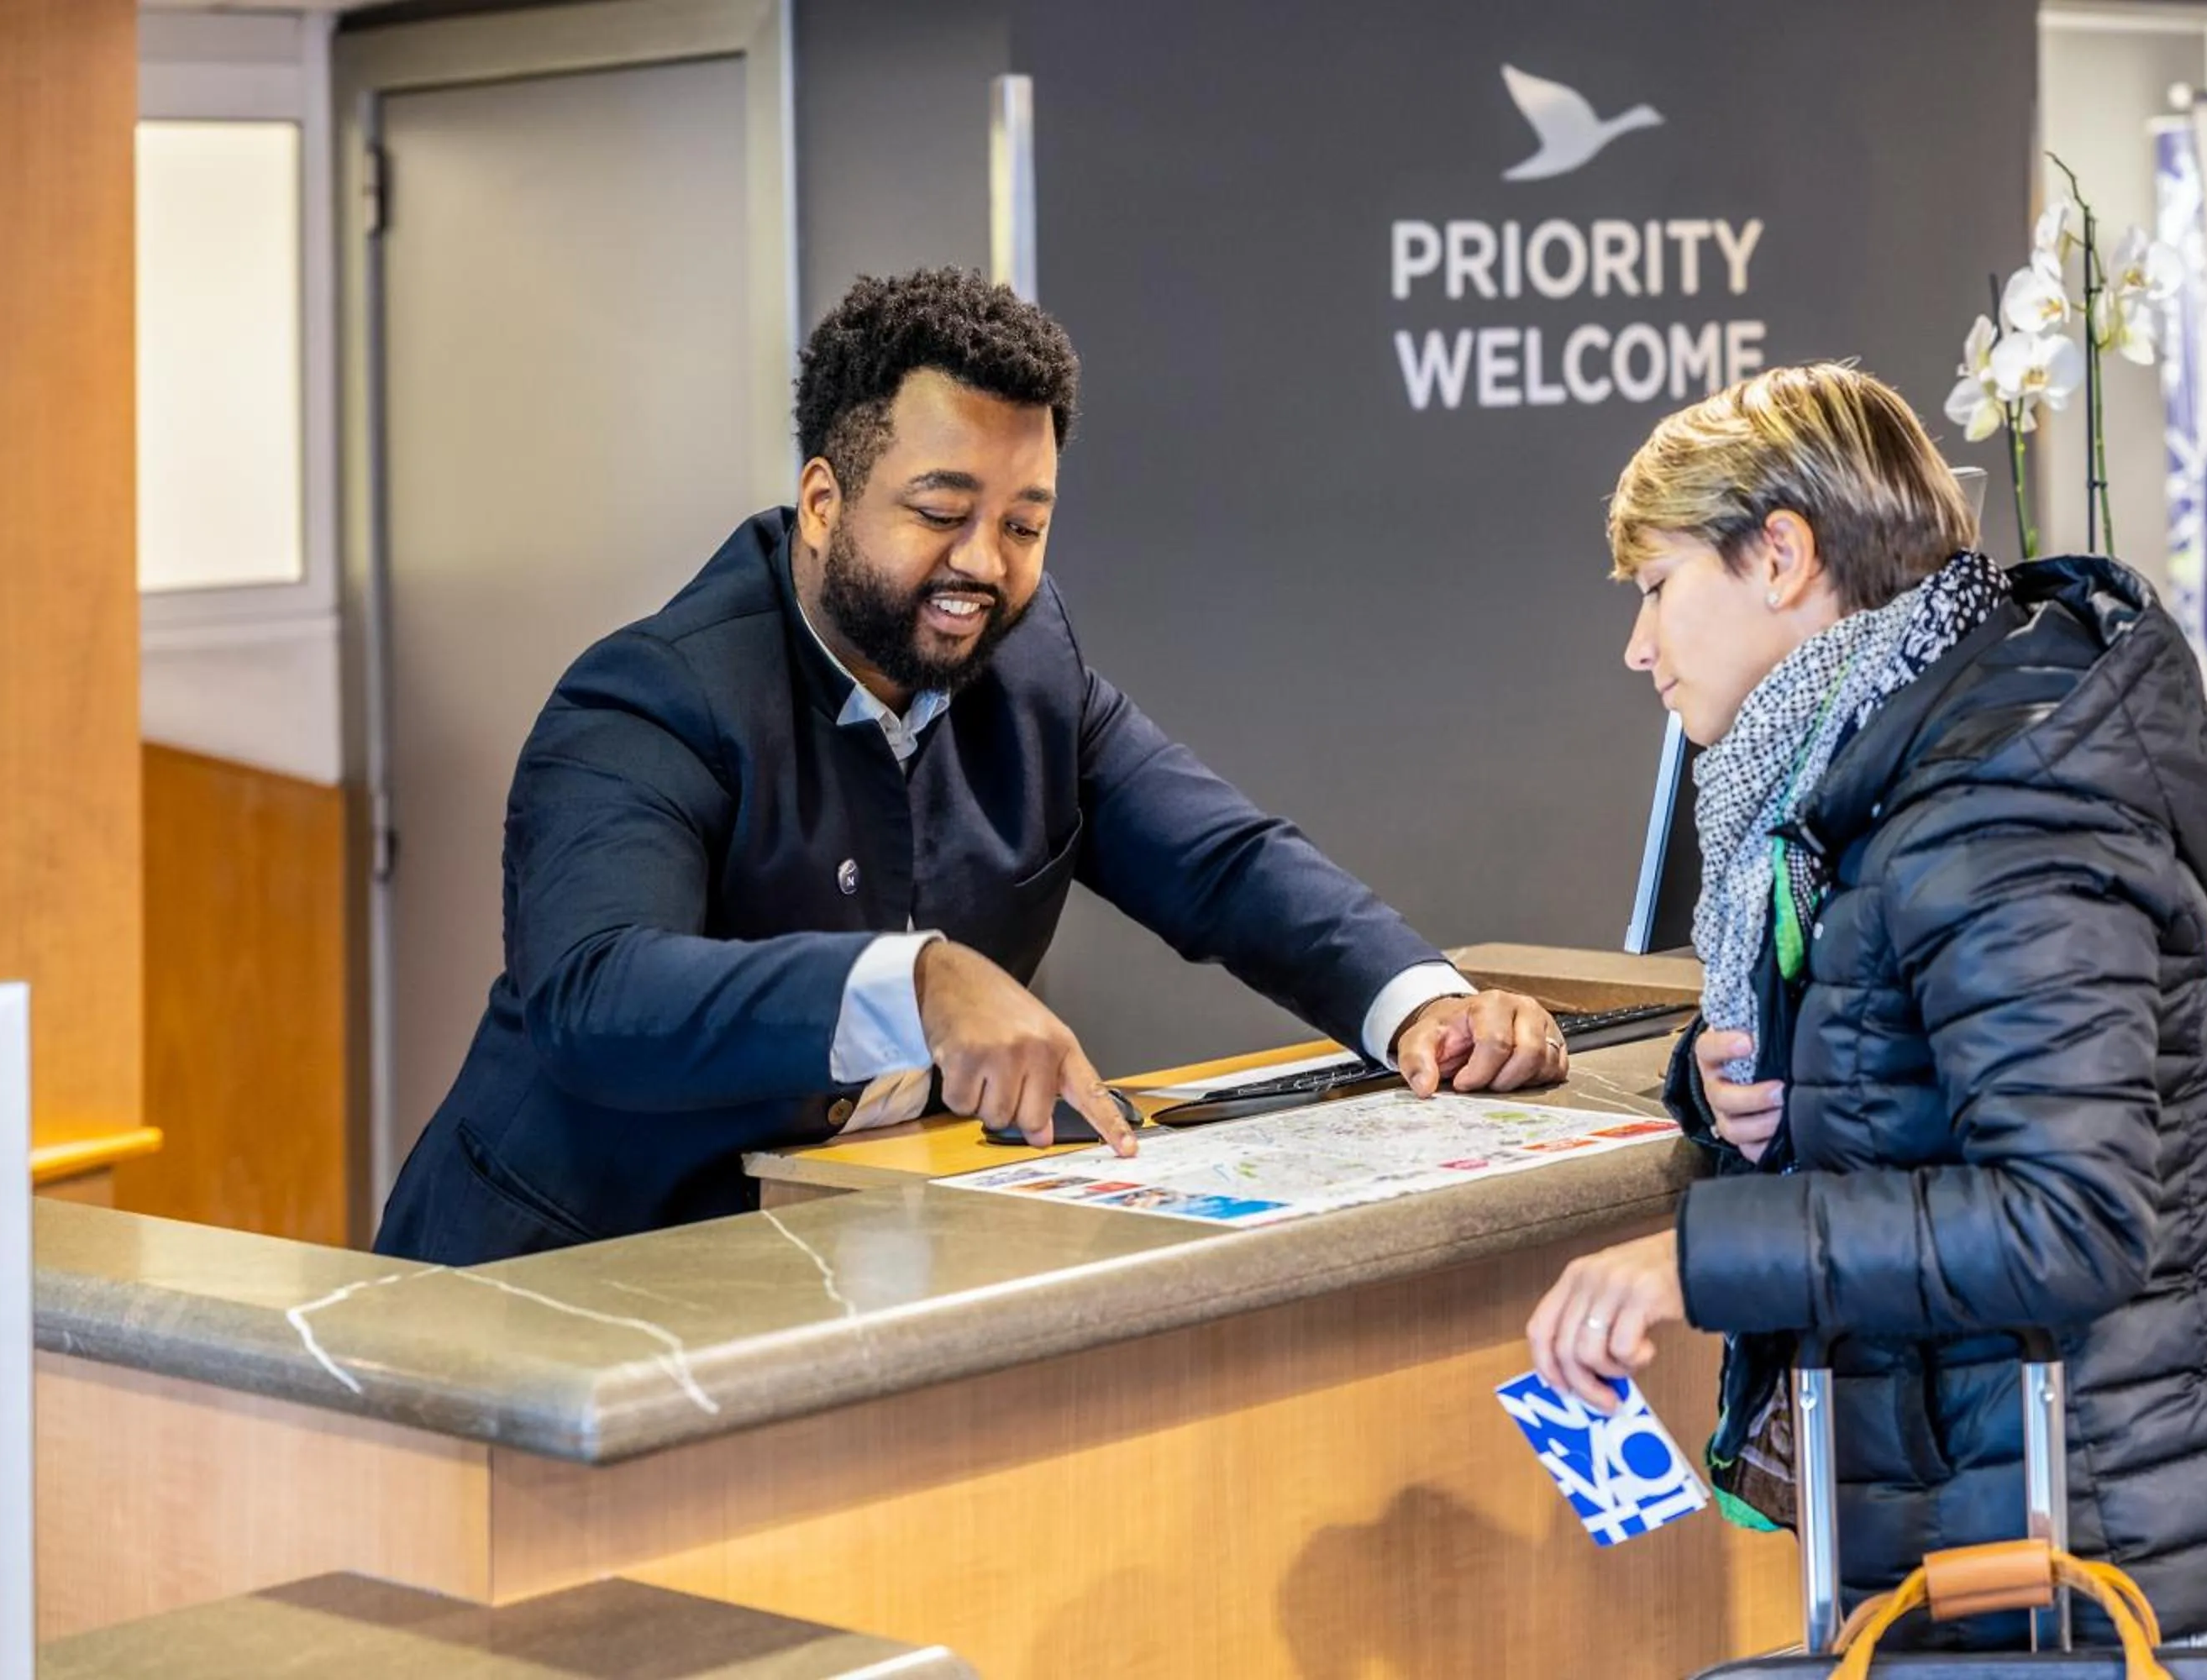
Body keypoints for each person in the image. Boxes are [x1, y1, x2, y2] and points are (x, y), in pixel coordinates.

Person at [376, 268, 1567, 1266]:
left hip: (837, 1268)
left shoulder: (1030, 668)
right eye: (941, 510)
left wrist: (1425, 1006)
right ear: (823, 502)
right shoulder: (649, 699)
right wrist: (920, 984)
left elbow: (1226, 866)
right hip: (555, 1282)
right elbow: (599, 997)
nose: (983, 564)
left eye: (1025, 524)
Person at [1526, 365, 2207, 1661]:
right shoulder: (1865, 776)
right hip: (1986, 1579)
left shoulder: (2000, 798)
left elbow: (2072, 1215)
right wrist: (1713, 1083)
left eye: (1657, 588)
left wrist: (1696, 1258)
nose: (1639, 645)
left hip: (2119, 1601)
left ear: (1779, 554)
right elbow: (1887, 1051)